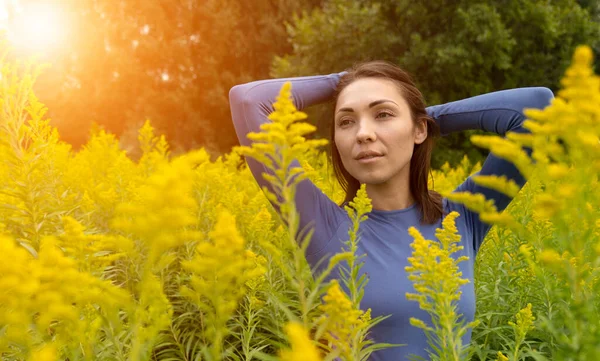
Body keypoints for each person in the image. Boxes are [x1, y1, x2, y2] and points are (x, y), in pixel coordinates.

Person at [228, 60, 554, 361]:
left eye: (383, 115)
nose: (363, 133)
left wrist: (425, 118)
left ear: (419, 131)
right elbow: (248, 101)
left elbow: (536, 107)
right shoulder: (322, 225)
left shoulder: (462, 217)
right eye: (346, 121)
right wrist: (343, 80)